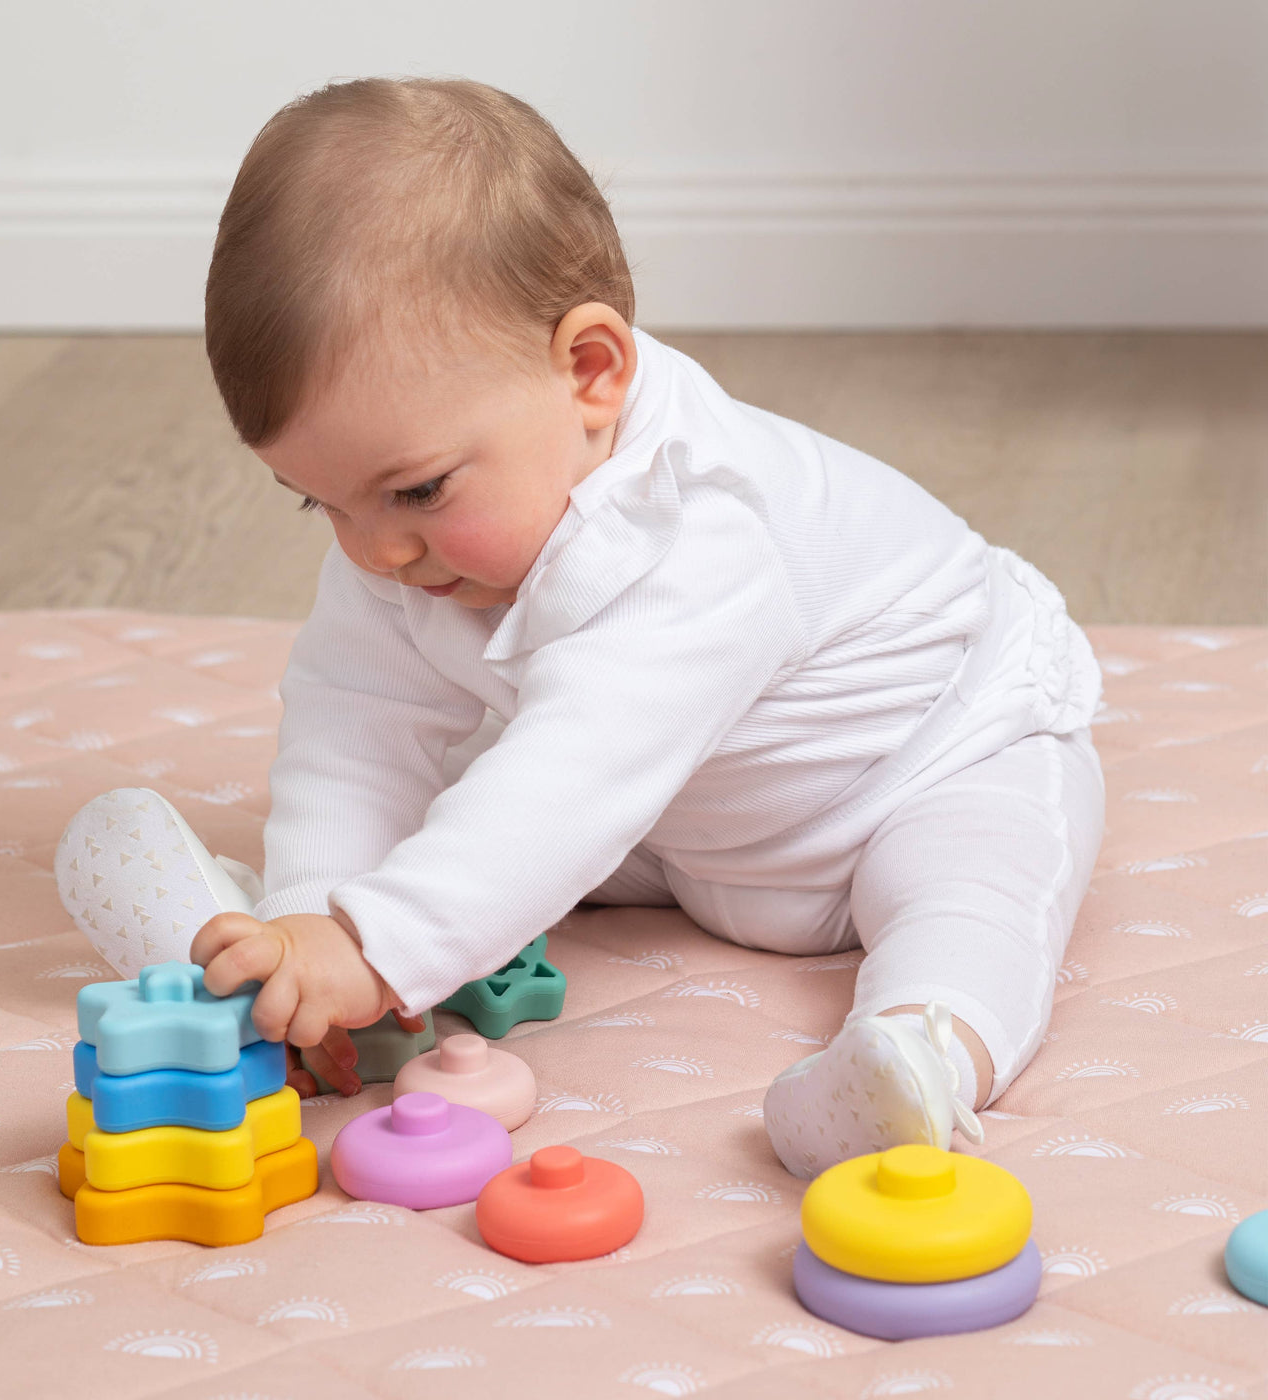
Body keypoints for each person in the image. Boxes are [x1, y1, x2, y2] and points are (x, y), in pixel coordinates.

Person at [55, 76, 1105, 1178]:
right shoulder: (411, 531)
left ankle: (917, 1055)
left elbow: (576, 772)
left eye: (414, 491)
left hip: (922, 764)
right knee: (464, 779)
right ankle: (254, 944)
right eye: (319, 501)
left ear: (589, 372)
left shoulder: (699, 529)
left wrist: (377, 947)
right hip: (685, 816)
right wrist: (313, 912)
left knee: (971, 885)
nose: (372, 552)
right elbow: (353, 716)